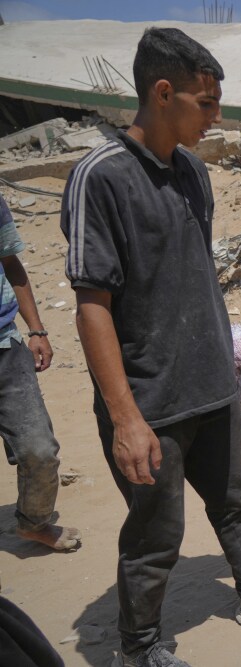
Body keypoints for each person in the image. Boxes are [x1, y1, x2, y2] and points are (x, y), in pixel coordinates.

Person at [61, 28, 241, 667]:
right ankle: (139, 648)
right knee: (156, 533)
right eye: (205, 102)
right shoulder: (100, 177)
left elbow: (190, 274)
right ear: (163, 93)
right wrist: (125, 418)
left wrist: (230, 361)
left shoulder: (192, 171)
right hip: (149, 399)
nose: (216, 116)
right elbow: (92, 305)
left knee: (238, 498)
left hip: (210, 383)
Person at [0, 194, 81, 553]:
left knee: (40, 449)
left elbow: (10, 263)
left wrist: (36, 329)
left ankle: (34, 523)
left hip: (5, 348)